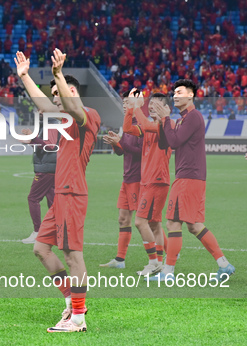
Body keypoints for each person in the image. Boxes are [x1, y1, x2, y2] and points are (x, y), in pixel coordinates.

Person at [15, 49, 101, 333]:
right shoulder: (64, 121)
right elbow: (44, 107)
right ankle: (71, 300)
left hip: (73, 194)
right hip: (62, 194)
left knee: (72, 255)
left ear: (71, 90)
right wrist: (25, 77)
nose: (55, 100)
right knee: (41, 249)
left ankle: (78, 319)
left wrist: (57, 75)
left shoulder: (88, 115)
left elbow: (73, 108)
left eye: (58, 94)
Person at [150, 79, 235, 281]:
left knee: (172, 222)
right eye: (174, 92)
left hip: (188, 176)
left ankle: (168, 272)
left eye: (180, 92)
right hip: (191, 176)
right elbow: (165, 143)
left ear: (191, 95)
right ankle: (224, 264)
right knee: (194, 225)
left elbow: (175, 141)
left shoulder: (193, 116)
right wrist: (162, 121)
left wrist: (166, 119)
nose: (175, 95)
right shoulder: (182, 119)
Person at [121, 89, 171, 275]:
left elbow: (141, 122)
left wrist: (135, 107)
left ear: (166, 108)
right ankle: (159, 261)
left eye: (156, 105)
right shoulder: (149, 126)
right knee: (154, 223)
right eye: (150, 104)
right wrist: (130, 110)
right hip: (149, 180)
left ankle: (154, 262)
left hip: (156, 180)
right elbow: (128, 128)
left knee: (140, 222)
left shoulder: (165, 125)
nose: (151, 107)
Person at [100, 90, 143, 268]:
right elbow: (123, 152)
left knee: (146, 222)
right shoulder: (128, 123)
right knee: (123, 219)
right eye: (123, 102)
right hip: (127, 178)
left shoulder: (141, 124)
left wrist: (121, 142)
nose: (124, 104)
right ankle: (120, 260)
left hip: (138, 179)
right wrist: (116, 144)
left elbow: (142, 152)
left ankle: (169, 252)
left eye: (128, 101)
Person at [20, 121, 59, 244]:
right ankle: (57, 231)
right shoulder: (50, 125)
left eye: (41, 110)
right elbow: (45, 147)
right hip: (51, 168)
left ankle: (37, 232)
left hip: (45, 170)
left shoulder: (51, 125)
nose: (39, 111)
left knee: (33, 198)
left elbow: (50, 147)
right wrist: (32, 142)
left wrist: (33, 137)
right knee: (53, 202)